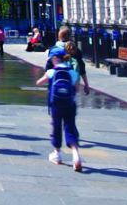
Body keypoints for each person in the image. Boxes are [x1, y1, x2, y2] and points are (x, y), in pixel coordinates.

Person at [36, 43, 84, 172]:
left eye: (52, 59)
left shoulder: (52, 71)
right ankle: (76, 155)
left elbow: (38, 82)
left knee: (56, 127)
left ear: (55, 59)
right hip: (69, 103)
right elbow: (77, 89)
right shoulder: (72, 72)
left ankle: (57, 154)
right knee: (70, 126)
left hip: (56, 104)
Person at [44, 26, 90, 95]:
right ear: (70, 36)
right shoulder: (75, 50)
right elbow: (82, 69)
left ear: (59, 36)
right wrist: (86, 85)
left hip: (56, 83)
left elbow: (48, 67)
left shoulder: (53, 50)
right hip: (71, 83)